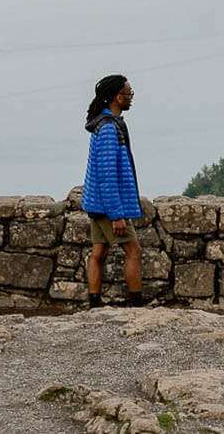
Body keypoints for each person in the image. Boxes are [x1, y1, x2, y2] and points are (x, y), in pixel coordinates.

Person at [82, 73, 144, 307]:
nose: (131, 98)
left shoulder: (103, 124)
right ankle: (135, 303)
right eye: (129, 94)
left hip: (95, 202)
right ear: (118, 97)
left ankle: (94, 302)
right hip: (109, 206)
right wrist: (117, 215)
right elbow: (107, 174)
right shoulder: (109, 129)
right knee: (134, 251)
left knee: (99, 253)